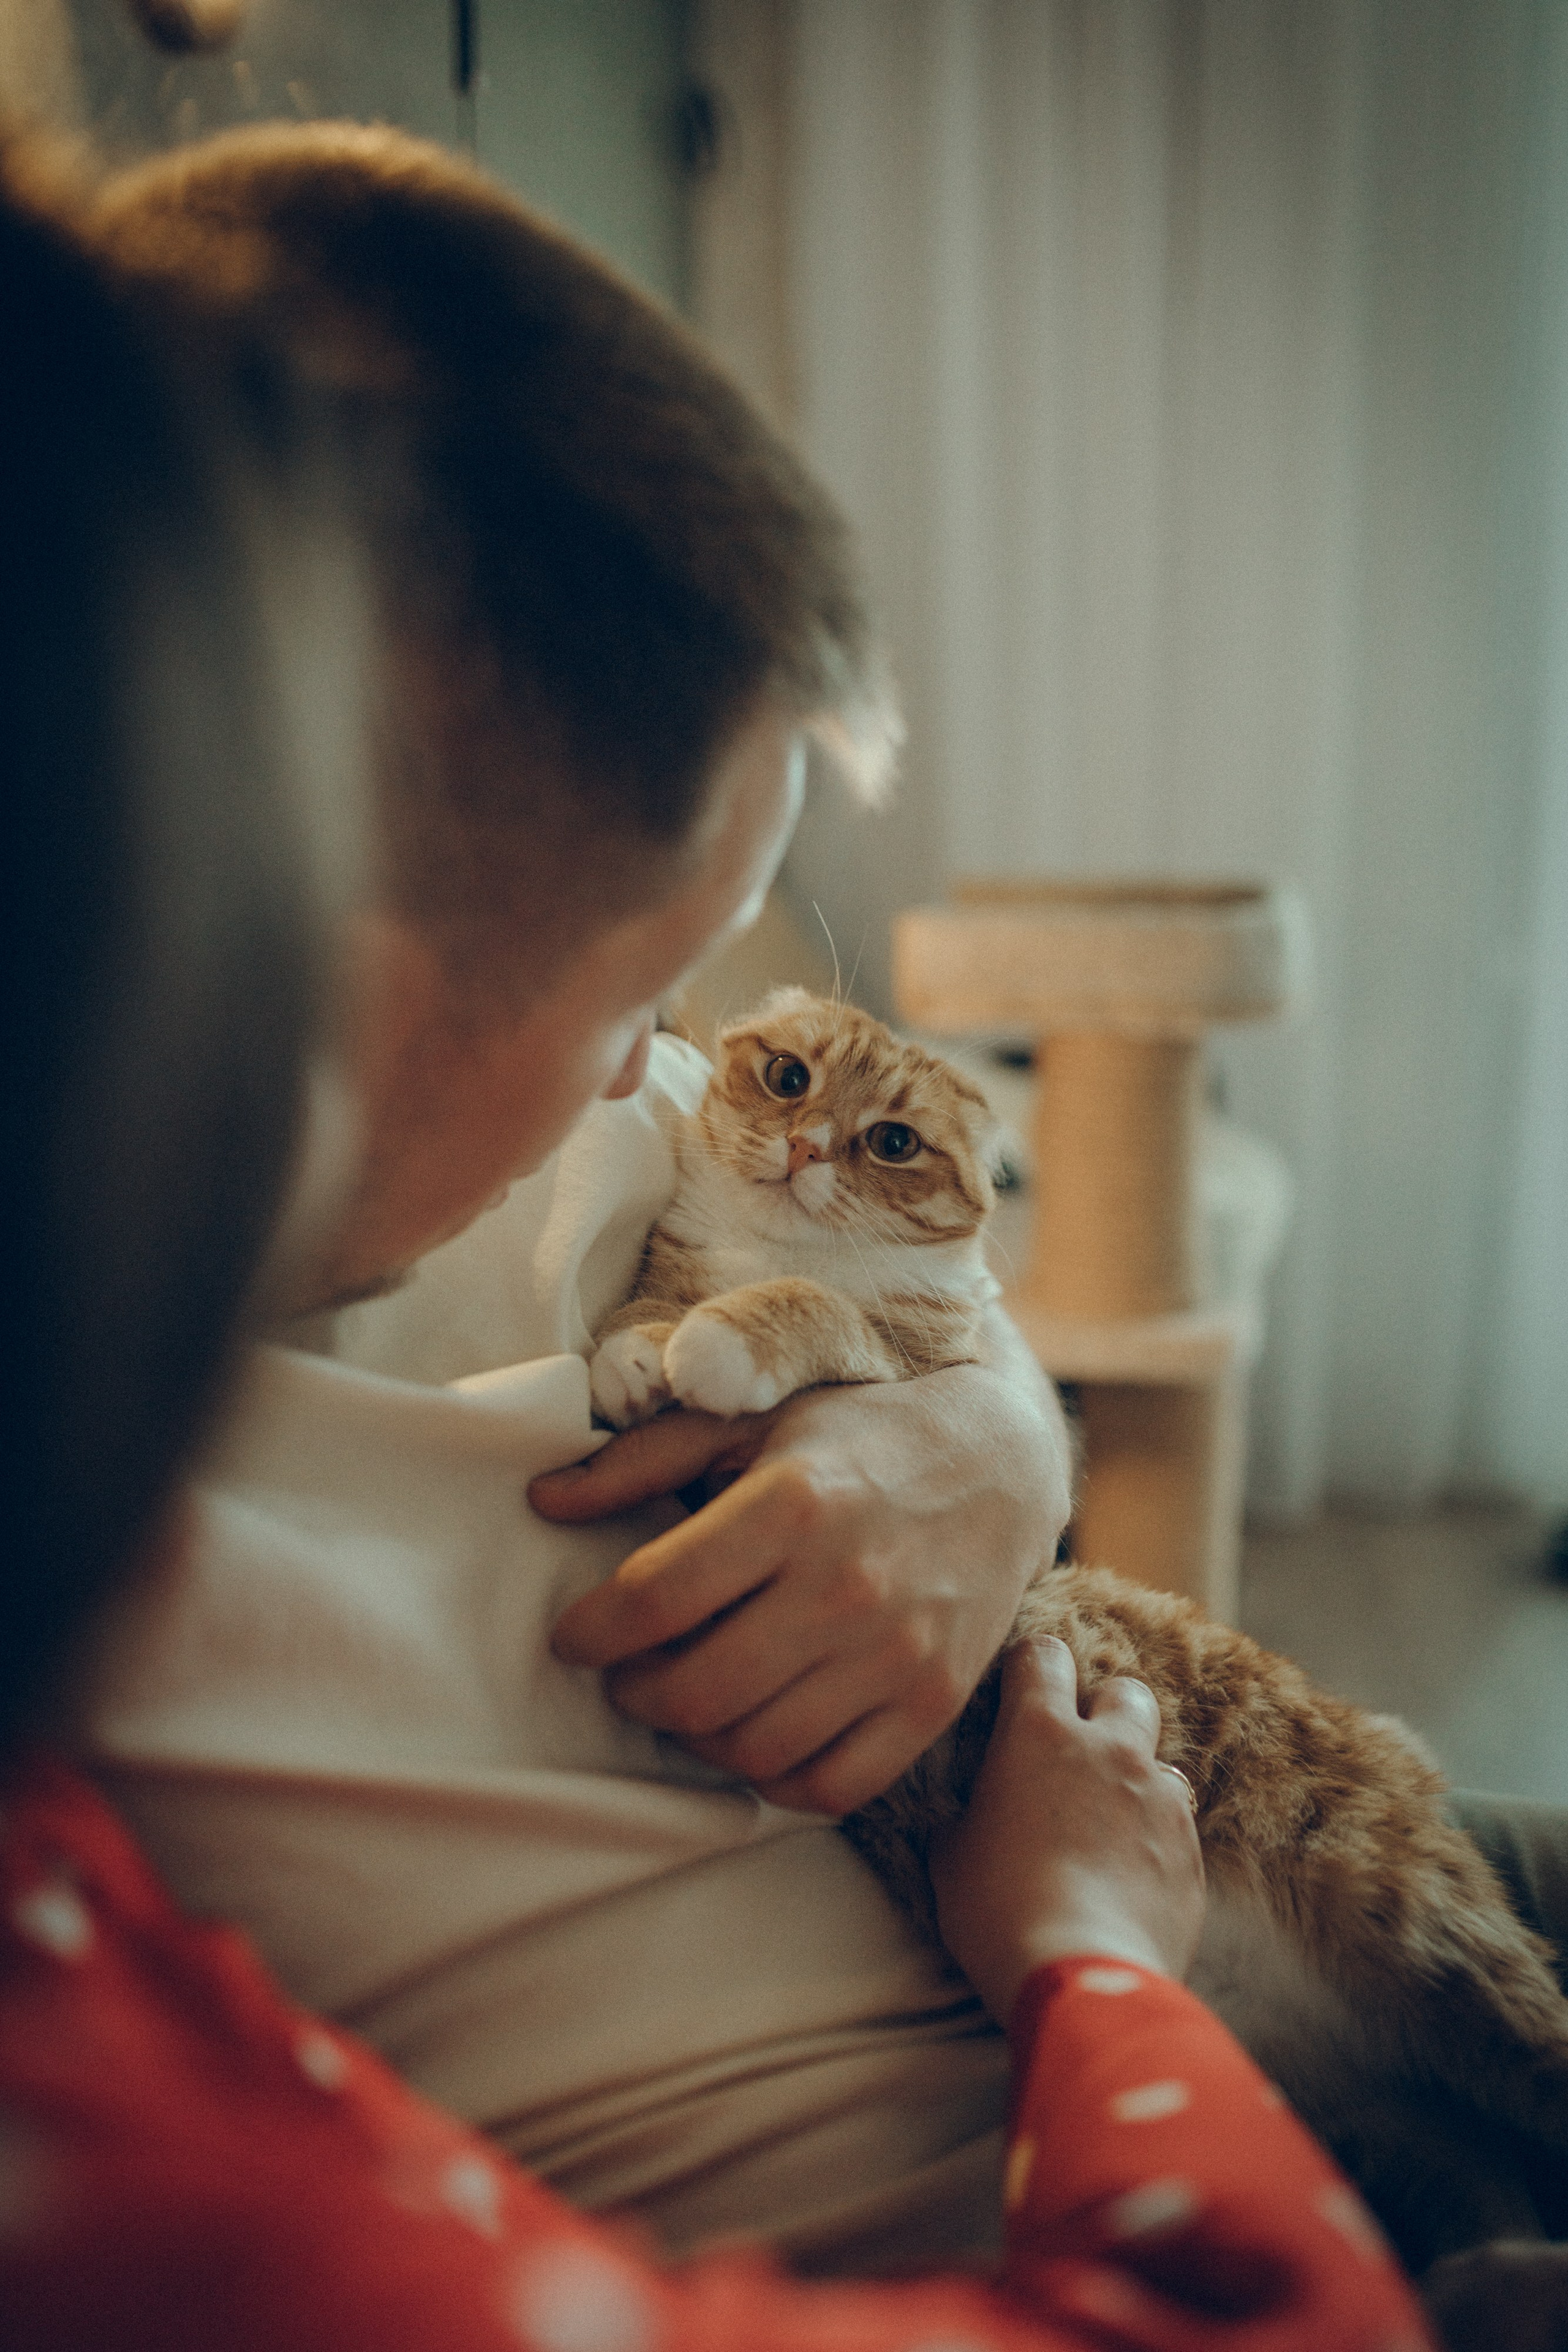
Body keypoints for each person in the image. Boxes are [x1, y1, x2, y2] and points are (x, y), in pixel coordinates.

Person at [0, 129, 1431, 2348]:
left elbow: (907, 1270)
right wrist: (1086, 1957)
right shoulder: (101, 1547)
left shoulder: (625, 1120)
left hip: (1258, 1890)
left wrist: (992, 1437)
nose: (656, 1077)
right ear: (320, 1015)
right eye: (623, 1001)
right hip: (1102, 2129)